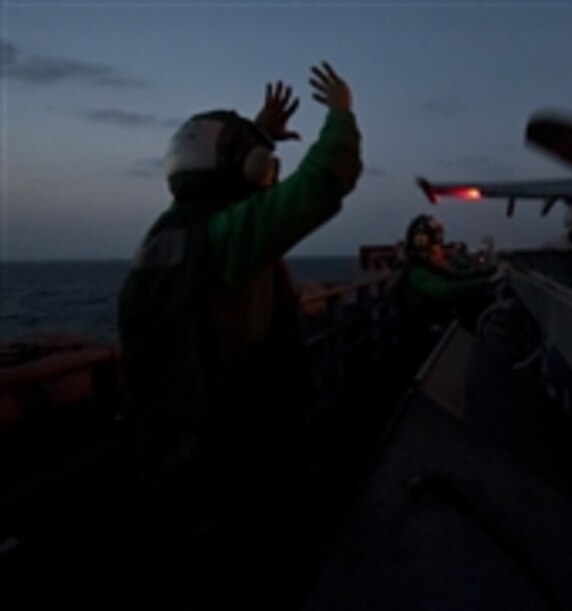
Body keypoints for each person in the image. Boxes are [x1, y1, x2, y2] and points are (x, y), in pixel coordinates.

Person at [115, 61, 361, 607]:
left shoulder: (168, 235)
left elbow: (223, 186)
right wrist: (341, 115)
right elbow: (322, 183)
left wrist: (256, 135)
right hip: (234, 458)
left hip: (172, 456)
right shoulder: (227, 237)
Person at [392, 214, 502, 337]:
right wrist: (487, 282)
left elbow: (457, 277)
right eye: (435, 248)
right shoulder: (416, 272)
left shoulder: (426, 267)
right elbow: (445, 290)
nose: (439, 252)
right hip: (424, 338)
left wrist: (488, 275)